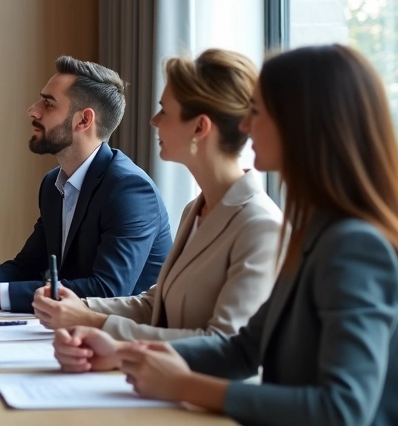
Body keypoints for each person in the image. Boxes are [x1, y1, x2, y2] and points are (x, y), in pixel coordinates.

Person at [55, 45, 398, 426]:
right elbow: (243, 348)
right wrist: (122, 353)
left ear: (302, 125)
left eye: (258, 112)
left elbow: (343, 410)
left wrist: (183, 385)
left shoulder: (354, 245)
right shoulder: (312, 231)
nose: (246, 127)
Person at [33, 49, 281, 340]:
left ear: (199, 127)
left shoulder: (261, 225)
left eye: (164, 110)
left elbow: (225, 343)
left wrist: (97, 325)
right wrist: (80, 308)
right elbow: (156, 305)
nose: (153, 120)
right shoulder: (195, 210)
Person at [0, 56, 172, 311]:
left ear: (83, 120)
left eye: (48, 104)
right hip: (69, 333)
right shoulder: (52, 184)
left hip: (124, 341)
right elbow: (29, 265)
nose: (33, 110)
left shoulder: (129, 189)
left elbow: (108, 291)